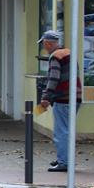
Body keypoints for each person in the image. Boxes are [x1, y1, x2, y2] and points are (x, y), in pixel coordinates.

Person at [36, 29, 75, 172]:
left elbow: (53, 79)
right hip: (74, 96)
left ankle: (64, 162)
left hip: (63, 98)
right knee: (67, 130)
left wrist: (45, 98)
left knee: (61, 131)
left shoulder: (56, 57)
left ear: (47, 43)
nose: (44, 47)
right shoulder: (68, 53)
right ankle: (63, 159)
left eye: (44, 44)